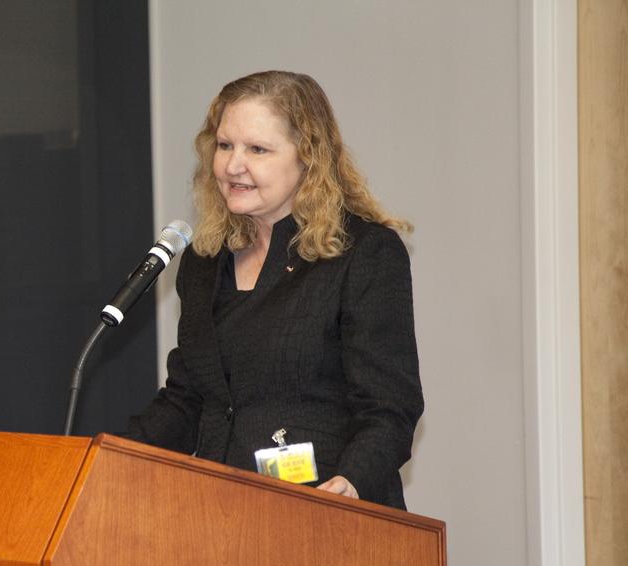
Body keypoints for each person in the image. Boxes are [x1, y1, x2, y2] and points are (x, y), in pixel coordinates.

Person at [123, 70, 422, 510]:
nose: (232, 165)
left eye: (257, 149)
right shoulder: (205, 261)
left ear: (308, 158)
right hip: (222, 516)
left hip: (329, 520)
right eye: (225, 146)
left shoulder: (364, 254)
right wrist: (106, 457)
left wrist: (350, 482)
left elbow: (388, 408)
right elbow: (189, 400)